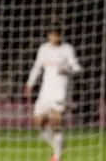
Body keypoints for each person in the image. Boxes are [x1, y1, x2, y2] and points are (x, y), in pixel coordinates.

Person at [24, 24, 82, 161]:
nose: (55, 37)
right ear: (49, 35)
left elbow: (77, 68)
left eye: (57, 34)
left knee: (56, 122)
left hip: (60, 93)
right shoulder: (43, 49)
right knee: (38, 122)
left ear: (61, 35)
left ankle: (57, 156)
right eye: (52, 34)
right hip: (45, 93)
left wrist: (67, 69)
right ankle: (59, 146)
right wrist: (30, 83)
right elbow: (37, 67)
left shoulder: (67, 49)